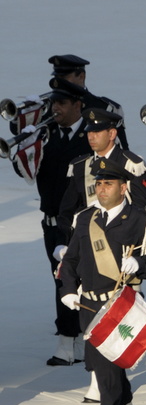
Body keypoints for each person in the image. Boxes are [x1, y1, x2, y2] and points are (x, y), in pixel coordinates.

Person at [59, 158, 146, 405]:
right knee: (102, 366)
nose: (101, 188)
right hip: (89, 306)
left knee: (108, 367)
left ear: (124, 187)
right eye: (99, 183)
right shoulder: (85, 219)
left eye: (108, 183)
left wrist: (140, 263)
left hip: (121, 306)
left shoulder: (141, 218)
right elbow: (70, 260)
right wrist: (68, 290)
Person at [11, 78, 90, 366]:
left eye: (62, 103)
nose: (55, 108)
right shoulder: (46, 135)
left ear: (77, 105)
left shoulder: (91, 135)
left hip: (83, 221)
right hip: (53, 222)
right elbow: (27, 172)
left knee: (83, 280)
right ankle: (69, 340)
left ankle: (78, 339)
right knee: (61, 280)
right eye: (54, 103)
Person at [59, 108, 146, 244]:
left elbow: (143, 210)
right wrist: (63, 243)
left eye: (96, 132)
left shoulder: (131, 165)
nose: (91, 137)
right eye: (89, 131)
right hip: (88, 242)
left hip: (123, 242)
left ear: (112, 134)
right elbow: (67, 211)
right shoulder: (80, 166)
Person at [47, 54, 129, 150]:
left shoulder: (104, 108)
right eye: (57, 78)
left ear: (81, 77)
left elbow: (121, 153)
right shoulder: (47, 108)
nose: (60, 83)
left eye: (64, 78)